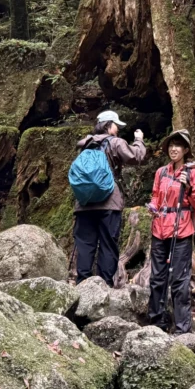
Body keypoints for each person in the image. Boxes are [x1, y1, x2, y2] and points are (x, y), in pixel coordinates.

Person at [72, 109, 147, 286]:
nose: (118, 128)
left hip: (84, 203)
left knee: (85, 244)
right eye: (116, 125)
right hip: (109, 203)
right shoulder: (115, 143)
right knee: (108, 244)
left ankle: (82, 283)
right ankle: (104, 285)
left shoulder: (86, 144)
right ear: (108, 125)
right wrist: (139, 140)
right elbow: (137, 156)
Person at [147, 129, 195, 334]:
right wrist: (153, 206)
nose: (173, 149)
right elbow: (156, 195)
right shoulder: (161, 172)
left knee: (180, 279)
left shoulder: (193, 174)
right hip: (159, 229)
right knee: (157, 277)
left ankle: (182, 327)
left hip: (181, 230)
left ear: (186, 150)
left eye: (178, 145)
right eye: (171, 145)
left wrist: (189, 187)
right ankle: (157, 321)